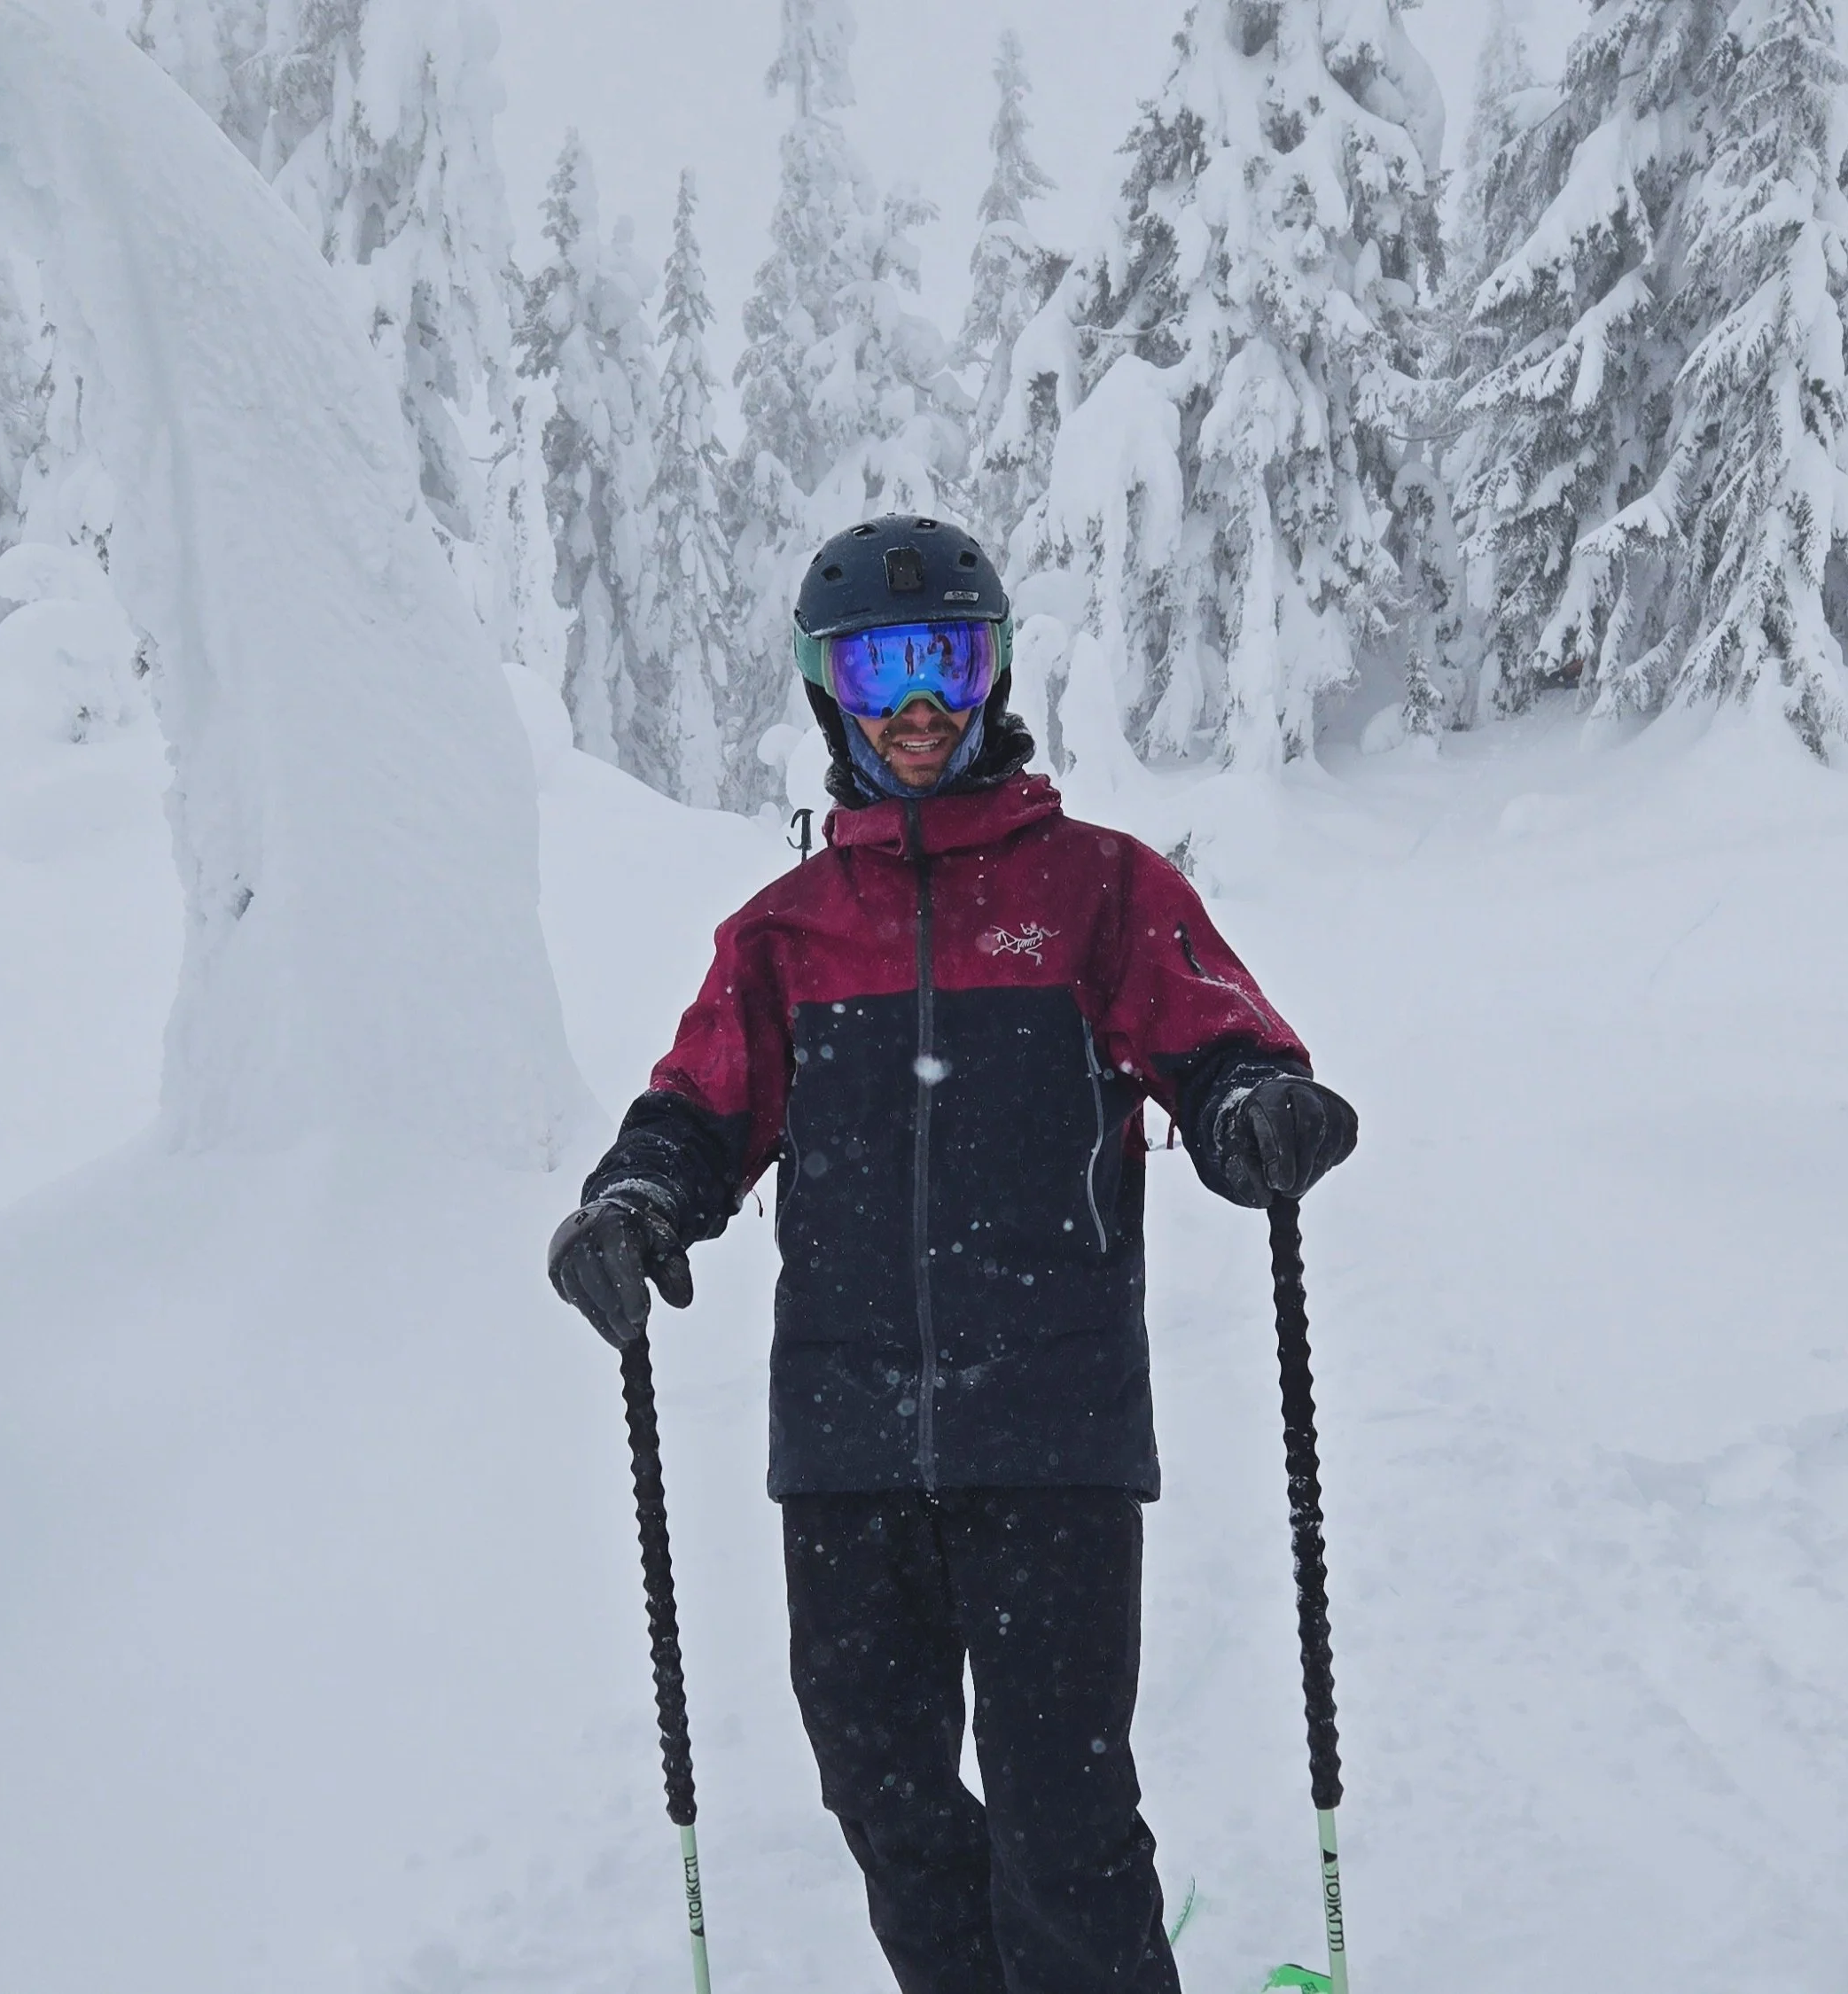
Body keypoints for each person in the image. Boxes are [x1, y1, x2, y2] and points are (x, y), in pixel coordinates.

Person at [548, 516, 1357, 1994]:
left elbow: (1218, 1040)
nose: (916, 706)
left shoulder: (1100, 890)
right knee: (885, 1799)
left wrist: (1254, 1105)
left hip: (1050, 1425)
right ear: (827, 691)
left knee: (1060, 1814)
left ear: (993, 673)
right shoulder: (783, 936)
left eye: (947, 661)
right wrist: (635, 1202)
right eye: (879, 670)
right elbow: (696, 1110)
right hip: (846, 1440)